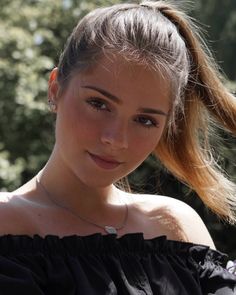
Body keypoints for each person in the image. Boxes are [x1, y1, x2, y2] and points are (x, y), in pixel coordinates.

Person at [0, 1, 236, 294]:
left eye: (145, 120)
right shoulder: (7, 226)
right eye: (98, 104)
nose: (116, 139)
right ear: (55, 89)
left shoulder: (178, 228)